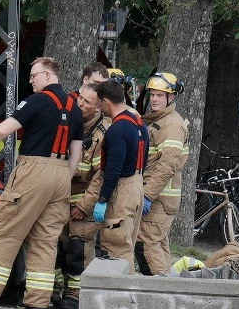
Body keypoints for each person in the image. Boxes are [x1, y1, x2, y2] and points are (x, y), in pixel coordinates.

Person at [0, 57, 83, 309]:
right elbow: (76, 149)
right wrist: (64, 176)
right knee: (46, 239)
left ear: (47, 75)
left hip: (34, 170)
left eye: (34, 75)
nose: (30, 80)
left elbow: (5, 130)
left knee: (8, 230)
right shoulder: (74, 106)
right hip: (61, 174)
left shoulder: (36, 101)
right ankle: (37, 300)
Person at [71, 80, 149, 269]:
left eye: (99, 103)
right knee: (126, 243)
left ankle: (121, 296)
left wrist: (103, 199)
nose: (99, 108)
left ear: (106, 102)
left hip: (122, 189)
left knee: (116, 248)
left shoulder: (117, 129)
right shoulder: (139, 123)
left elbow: (112, 169)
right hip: (137, 183)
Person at [55, 82, 110, 309]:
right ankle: (56, 290)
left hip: (83, 202)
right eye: (79, 98)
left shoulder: (102, 134)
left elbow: (100, 176)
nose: (80, 104)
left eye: (86, 102)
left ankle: (77, 295)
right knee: (58, 247)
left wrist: (86, 206)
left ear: (98, 107)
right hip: (62, 197)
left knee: (80, 250)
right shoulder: (71, 123)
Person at [136, 72, 189, 275]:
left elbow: (167, 165)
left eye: (160, 95)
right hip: (159, 197)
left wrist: (148, 195)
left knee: (147, 245)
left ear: (171, 97)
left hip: (158, 198)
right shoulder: (161, 121)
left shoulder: (171, 125)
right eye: (153, 94)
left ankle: (158, 295)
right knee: (157, 245)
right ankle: (166, 291)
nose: (155, 99)